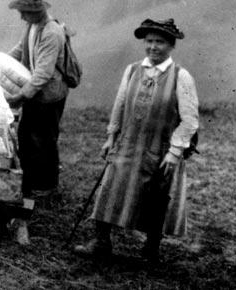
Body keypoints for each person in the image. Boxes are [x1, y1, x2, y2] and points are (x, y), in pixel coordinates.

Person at [75, 18, 199, 263]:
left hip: (160, 150)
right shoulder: (132, 70)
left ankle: (150, 250)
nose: (153, 47)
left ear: (171, 46)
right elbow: (120, 105)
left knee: (156, 198)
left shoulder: (180, 76)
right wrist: (111, 136)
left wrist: (174, 152)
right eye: (149, 41)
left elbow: (190, 120)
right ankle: (101, 242)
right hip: (127, 143)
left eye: (160, 42)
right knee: (111, 189)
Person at [5, 0, 68, 202]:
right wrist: (0, 63)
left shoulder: (51, 32)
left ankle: (47, 186)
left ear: (36, 10)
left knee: (44, 138)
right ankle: (30, 181)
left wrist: (21, 96)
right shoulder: (32, 26)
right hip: (35, 92)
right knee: (27, 135)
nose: (22, 16)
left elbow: (43, 73)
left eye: (25, 12)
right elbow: (21, 49)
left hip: (48, 94)